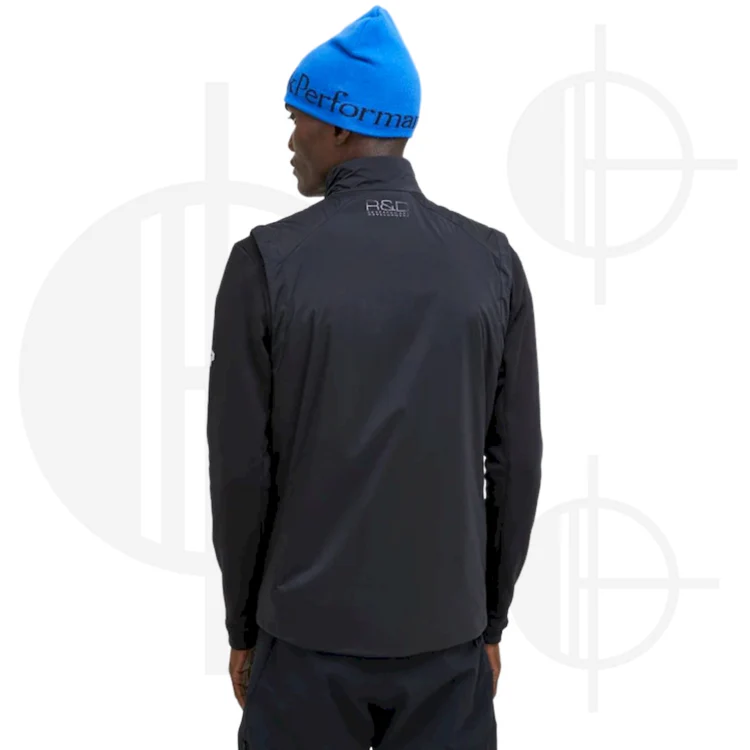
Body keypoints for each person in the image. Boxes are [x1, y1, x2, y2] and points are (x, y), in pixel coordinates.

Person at [207, 6, 542, 749]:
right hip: (446, 643)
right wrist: (489, 622)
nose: (290, 139)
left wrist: (243, 627)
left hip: (303, 643)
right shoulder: (492, 263)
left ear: (338, 126)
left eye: (296, 118)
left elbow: (239, 470)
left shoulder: (264, 263)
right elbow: (516, 462)